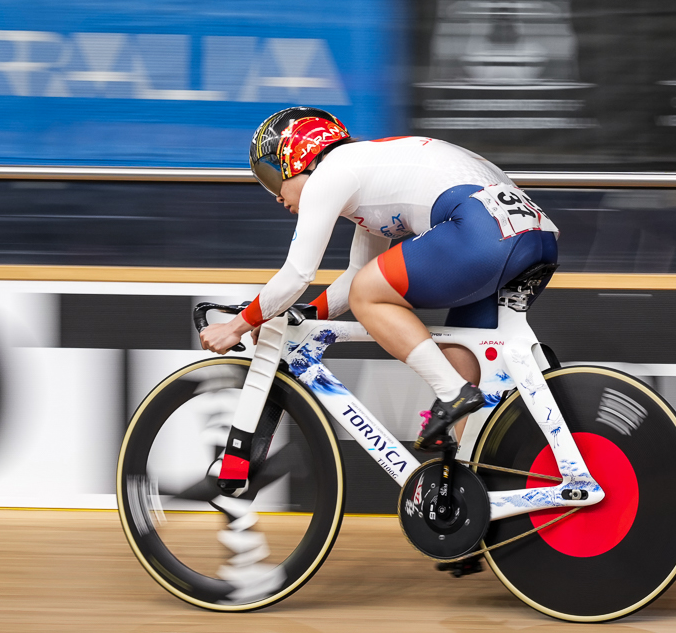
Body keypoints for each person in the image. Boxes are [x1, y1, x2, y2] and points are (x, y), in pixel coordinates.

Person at [199, 108, 559, 449]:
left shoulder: (330, 174)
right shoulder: (367, 174)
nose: (276, 195)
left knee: (370, 296)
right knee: (463, 357)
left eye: (271, 177)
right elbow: (356, 273)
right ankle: (470, 481)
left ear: (299, 158)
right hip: (535, 236)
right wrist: (303, 316)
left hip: (483, 232)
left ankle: (453, 394)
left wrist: (237, 326)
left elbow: (298, 274)